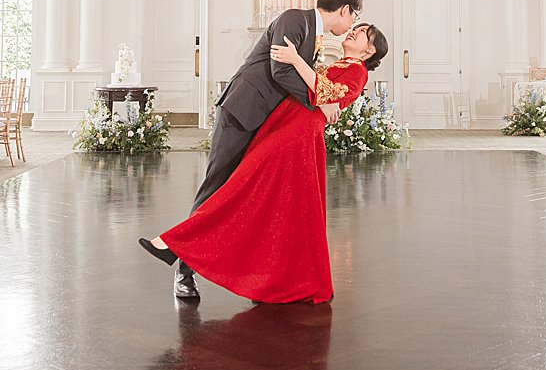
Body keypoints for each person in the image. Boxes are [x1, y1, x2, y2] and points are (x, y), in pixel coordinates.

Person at [140, 22, 389, 303]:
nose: (354, 31)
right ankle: (268, 275)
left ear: (370, 50)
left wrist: (297, 61)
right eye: (354, 26)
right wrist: (319, 97)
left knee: (243, 192)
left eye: (362, 32)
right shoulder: (341, 64)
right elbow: (315, 92)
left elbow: (325, 91)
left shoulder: (357, 71)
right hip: (286, 128)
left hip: (297, 137)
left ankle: (174, 244)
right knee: (268, 204)